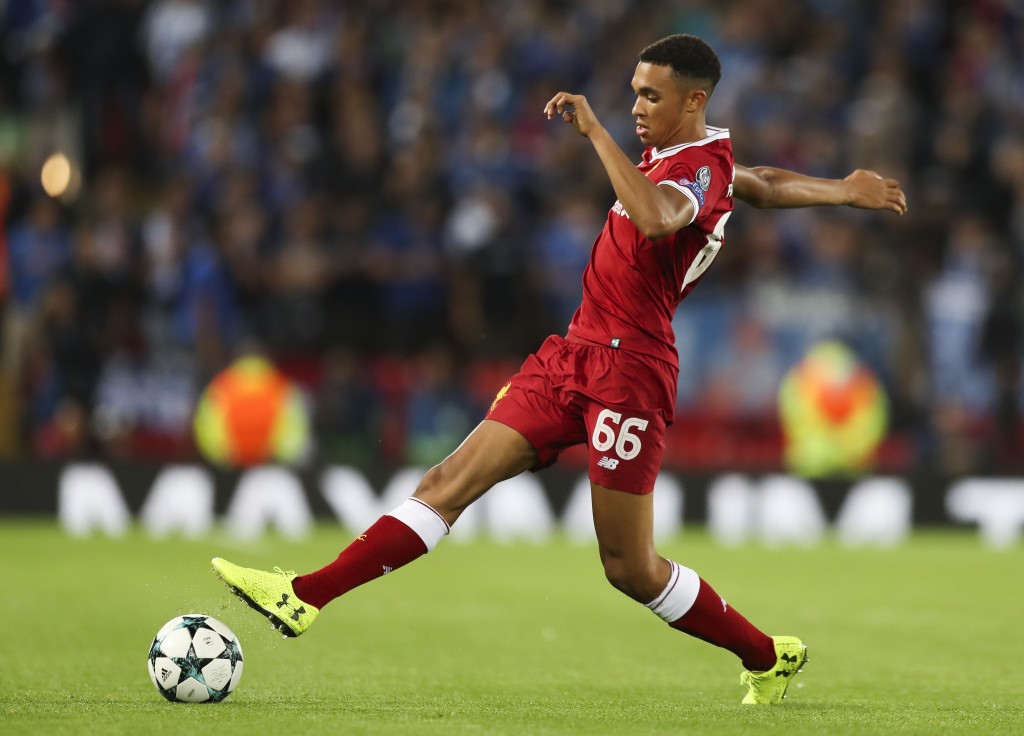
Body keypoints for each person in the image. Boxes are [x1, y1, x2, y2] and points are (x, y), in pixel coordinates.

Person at [211, 34, 907, 705]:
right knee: (446, 482)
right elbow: (761, 184)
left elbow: (661, 218)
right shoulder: (702, 158)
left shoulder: (692, 170)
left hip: (630, 373)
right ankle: (303, 597)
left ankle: (766, 656)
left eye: (652, 96)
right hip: (570, 355)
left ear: (693, 101)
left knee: (629, 569)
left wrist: (599, 134)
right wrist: (842, 188)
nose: (637, 106)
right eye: (633, 93)